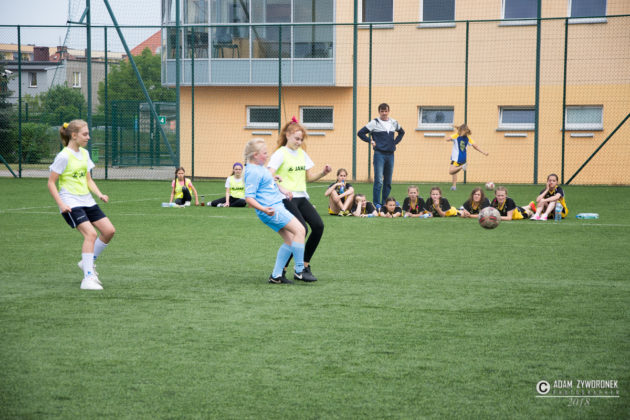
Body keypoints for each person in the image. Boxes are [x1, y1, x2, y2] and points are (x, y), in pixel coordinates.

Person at [47, 120, 116, 290]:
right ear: (74, 135)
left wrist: (100, 194)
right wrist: (61, 204)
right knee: (90, 234)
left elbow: (88, 179)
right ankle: (88, 278)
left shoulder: (85, 154)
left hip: (87, 200)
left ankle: (86, 262)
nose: (88, 137)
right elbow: (51, 183)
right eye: (85, 134)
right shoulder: (63, 156)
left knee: (109, 231)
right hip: (70, 202)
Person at [243, 138, 316, 284]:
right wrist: (264, 209)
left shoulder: (259, 168)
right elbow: (249, 198)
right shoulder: (252, 172)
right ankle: (300, 270)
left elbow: (267, 182)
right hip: (272, 209)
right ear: (255, 155)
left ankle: (276, 276)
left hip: (275, 207)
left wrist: (280, 187)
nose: (267, 156)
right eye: (264, 153)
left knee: (290, 240)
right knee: (300, 230)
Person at [268, 118, 331, 281]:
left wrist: (323, 173)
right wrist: (280, 186)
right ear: (287, 135)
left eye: (301, 139)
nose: (299, 142)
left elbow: (309, 177)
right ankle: (287, 270)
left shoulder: (302, 154)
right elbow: (269, 174)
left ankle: (305, 265)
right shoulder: (280, 153)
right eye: (297, 138)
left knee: (318, 226)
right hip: (286, 198)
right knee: (301, 230)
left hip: (301, 197)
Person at [357, 103, 405, 208]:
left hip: (391, 155)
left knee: (388, 181)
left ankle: (385, 203)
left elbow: (402, 132)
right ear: (379, 112)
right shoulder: (374, 122)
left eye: (386, 111)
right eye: (382, 111)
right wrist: (370, 140)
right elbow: (360, 133)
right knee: (378, 180)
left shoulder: (393, 122)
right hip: (379, 154)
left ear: (388, 111)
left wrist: (394, 142)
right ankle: (376, 203)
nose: (384, 113)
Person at [447, 124, 488, 191]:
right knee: (455, 171)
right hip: (463, 158)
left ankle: (462, 167)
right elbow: (476, 146)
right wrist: (484, 152)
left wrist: (453, 136)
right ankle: (454, 186)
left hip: (457, 157)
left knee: (451, 172)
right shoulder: (468, 138)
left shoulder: (457, 136)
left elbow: (447, 139)